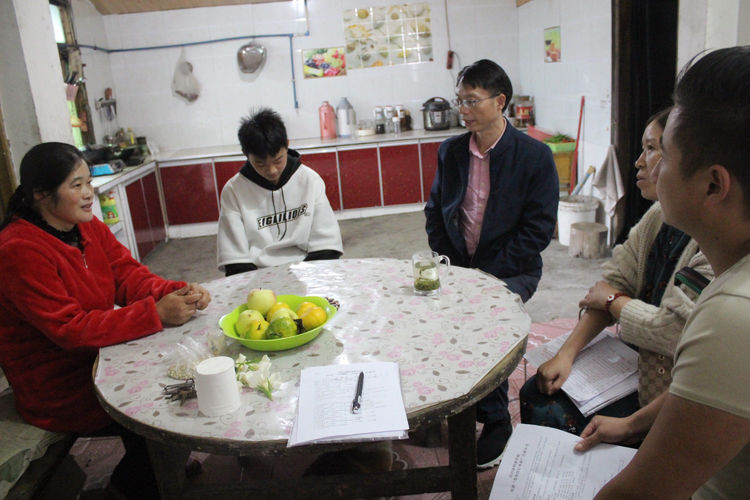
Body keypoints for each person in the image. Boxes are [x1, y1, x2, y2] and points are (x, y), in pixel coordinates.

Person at [575, 46, 750, 499]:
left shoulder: (734, 315)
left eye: (663, 155)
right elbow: (714, 389)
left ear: (713, 184)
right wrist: (632, 424)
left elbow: (642, 493)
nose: (649, 166)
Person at [0, 142, 211, 498]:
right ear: (40, 194)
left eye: (89, 182)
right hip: (60, 384)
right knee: (161, 399)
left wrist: (175, 291)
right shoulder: (18, 250)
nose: (89, 194)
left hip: (98, 356)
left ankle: (158, 467)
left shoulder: (85, 227)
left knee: (184, 374)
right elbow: (70, 329)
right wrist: (155, 313)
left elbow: (127, 276)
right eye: (77, 185)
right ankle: (131, 485)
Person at [519, 109, 712, 436]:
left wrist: (613, 302)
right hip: (634, 361)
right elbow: (614, 281)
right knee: (538, 390)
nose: (640, 162)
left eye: (652, 149)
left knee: (560, 416)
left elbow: (672, 330)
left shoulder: (714, 241)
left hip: (669, 391)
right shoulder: (658, 216)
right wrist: (566, 354)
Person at [424, 59, 559, 468]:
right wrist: (450, 264)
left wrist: (484, 276)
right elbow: (436, 211)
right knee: (433, 320)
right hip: (458, 265)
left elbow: (537, 231)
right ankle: (451, 401)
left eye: (471, 100)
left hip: (513, 268)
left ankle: (497, 419)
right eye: (459, 101)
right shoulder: (452, 151)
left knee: (487, 323)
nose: (463, 110)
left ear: (500, 102)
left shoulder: (534, 157)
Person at [217, 108, 343, 276]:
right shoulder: (234, 191)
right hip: (258, 275)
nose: (272, 170)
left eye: (278, 160)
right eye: (260, 163)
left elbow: (326, 244)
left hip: (309, 269)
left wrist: (307, 276)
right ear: (245, 154)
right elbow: (236, 260)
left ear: (287, 144)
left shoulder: (309, 180)